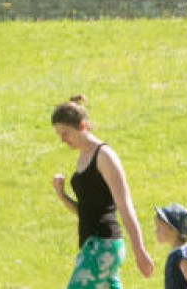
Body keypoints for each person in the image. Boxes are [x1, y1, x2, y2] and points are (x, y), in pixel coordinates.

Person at [51, 96, 155, 288]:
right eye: (59, 135)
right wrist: (62, 195)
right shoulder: (83, 158)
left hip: (102, 246)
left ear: (82, 125)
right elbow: (86, 211)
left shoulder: (104, 156)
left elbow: (124, 204)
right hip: (91, 246)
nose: (63, 140)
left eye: (65, 133)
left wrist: (139, 250)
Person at [153, 203, 187, 289]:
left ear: (173, 230)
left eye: (159, 228)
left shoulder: (182, 255)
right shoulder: (175, 253)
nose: (156, 231)